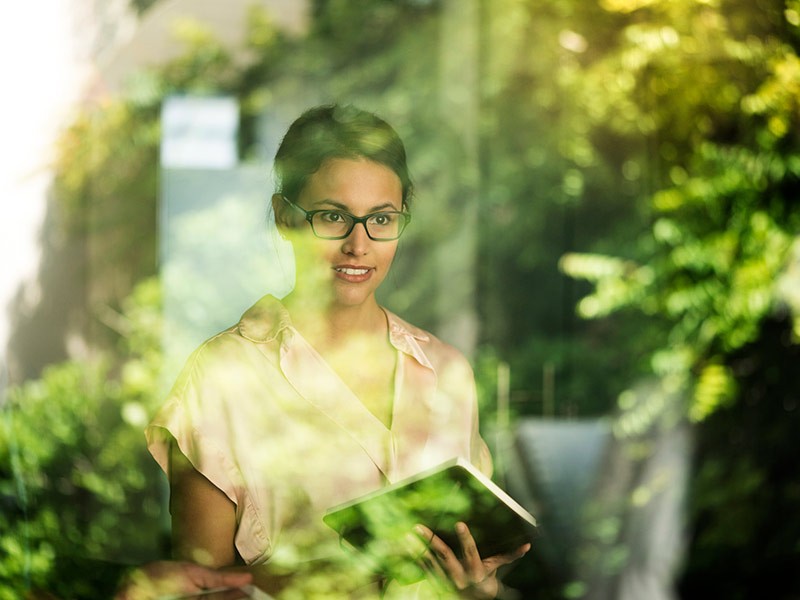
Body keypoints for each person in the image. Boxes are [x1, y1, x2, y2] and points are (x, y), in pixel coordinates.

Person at [146, 104, 530, 598]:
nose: (358, 244)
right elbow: (195, 588)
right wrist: (352, 570)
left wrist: (477, 584)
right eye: (332, 216)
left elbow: (467, 573)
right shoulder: (221, 375)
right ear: (285, 217)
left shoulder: (447, 372)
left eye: (381, 219)